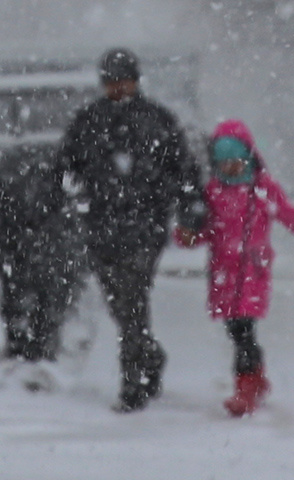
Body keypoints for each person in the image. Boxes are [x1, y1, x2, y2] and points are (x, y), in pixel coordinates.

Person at [57, 47, 203, 412]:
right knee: (120, 303)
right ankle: (149, 356)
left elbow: (184, 172)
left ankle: (133, 381)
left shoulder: (158, 120)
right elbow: (65, 167)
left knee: (132, 299)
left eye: (123, 80)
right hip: (102, 226)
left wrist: (188, 215)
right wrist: (68, 198)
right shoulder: (88, 121)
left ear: (136, 80)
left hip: (144, 225)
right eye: (110, 81)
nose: (117, 87)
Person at [176, 119, 294, 418]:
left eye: (235, 160)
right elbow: (206, 232)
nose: (230, 167)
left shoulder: (262, 190)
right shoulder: (213, 192)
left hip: (251, 272)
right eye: (223, 161)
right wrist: (186, 236)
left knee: (244, 329)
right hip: (222, 273)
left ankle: (245, 387)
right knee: (237, 330)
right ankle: (256, 379)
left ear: (248, 156)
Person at [0, 150, 84, 365]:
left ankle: (23, 347)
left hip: (21, 251)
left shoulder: (11, 188)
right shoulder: (54, 185)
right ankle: (37, 348)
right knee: (42, 301)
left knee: (18, 299)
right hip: (37, 253)